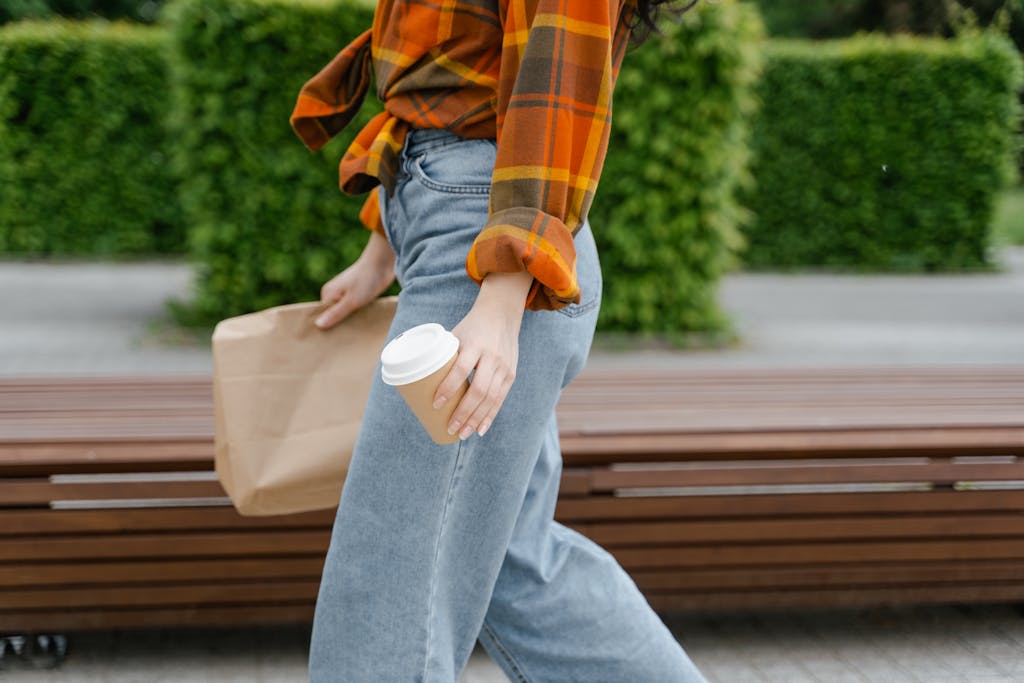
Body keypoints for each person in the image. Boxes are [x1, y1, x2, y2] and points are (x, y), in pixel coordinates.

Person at [289, 0, 709, 680]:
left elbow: (557, 86)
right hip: (466, 242)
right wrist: (384, 246)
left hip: (490, 261)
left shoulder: (500, 275)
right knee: (514, 558)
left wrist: (506, 288)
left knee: (390, 573)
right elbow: (447, 71)